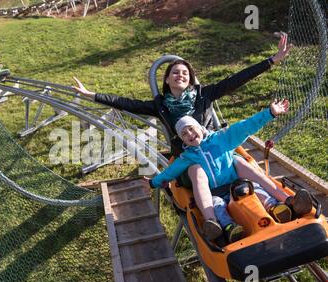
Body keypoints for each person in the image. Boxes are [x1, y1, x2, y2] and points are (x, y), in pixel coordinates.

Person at [72, 33, 292, 236]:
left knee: (239, 162)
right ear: (167, 80)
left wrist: (272, 60)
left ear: (191, 79)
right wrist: (92, 95)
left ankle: (283, 200)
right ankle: (214, 221)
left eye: (185, 73)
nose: (180, 75)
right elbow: (126, 104)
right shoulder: (161, 106)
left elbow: (236, 80)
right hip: (190, 161)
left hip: (216, 152)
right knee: (197, 169)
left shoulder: (204, 95)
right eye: (175, 72)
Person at [145, 99, 312, 243]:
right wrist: (153, 182)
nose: (189, 134)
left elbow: (244, 126)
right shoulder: (188, 157)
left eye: (191, 128)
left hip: (238, 184)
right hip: (215, 192)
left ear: (200, 128)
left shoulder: (221, 138)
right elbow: (171, 171)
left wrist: (270, 113)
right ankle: (225, 227)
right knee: (217, 207)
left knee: (258, 192)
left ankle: (283, 205)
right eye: (184, 134)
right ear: (183, 141)